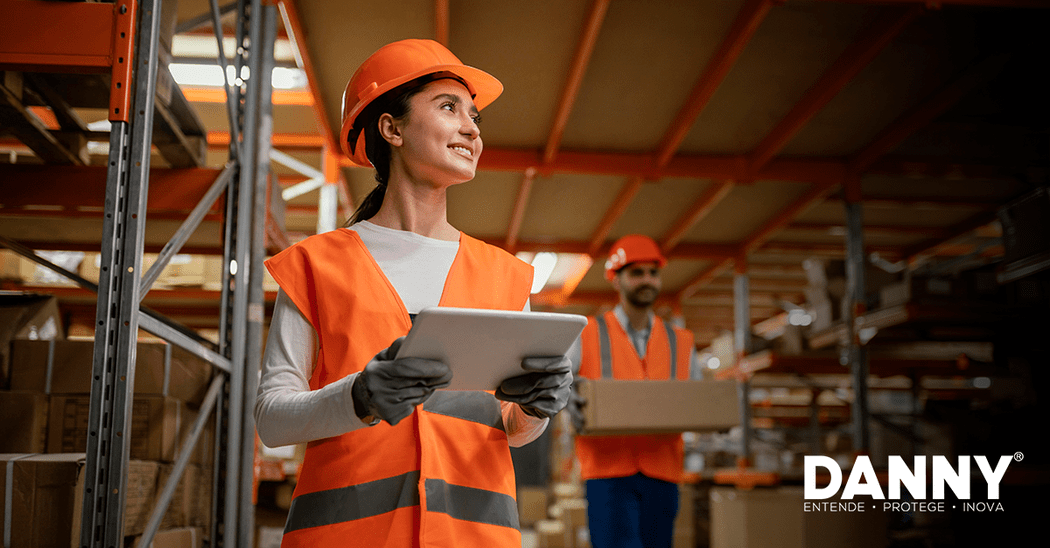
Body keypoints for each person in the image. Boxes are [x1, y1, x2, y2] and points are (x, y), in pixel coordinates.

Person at [254, 39, 572, 547]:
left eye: (475, 118)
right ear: (392, 128)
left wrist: (536, 410)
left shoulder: (506, 276)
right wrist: (358, 395)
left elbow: (508, 427)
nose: (472, 128)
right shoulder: (317, 265)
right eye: (449, 108)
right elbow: (272, 417)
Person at [568, 234, 695, 548]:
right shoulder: (586, 333)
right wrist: (570, 405)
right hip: (607, 473)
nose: (647, 280)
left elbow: (696, 399)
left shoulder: (681, 341)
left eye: (653, 272)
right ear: (616, 279)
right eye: (636, 273)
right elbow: (560, 386)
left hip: (663, 472)